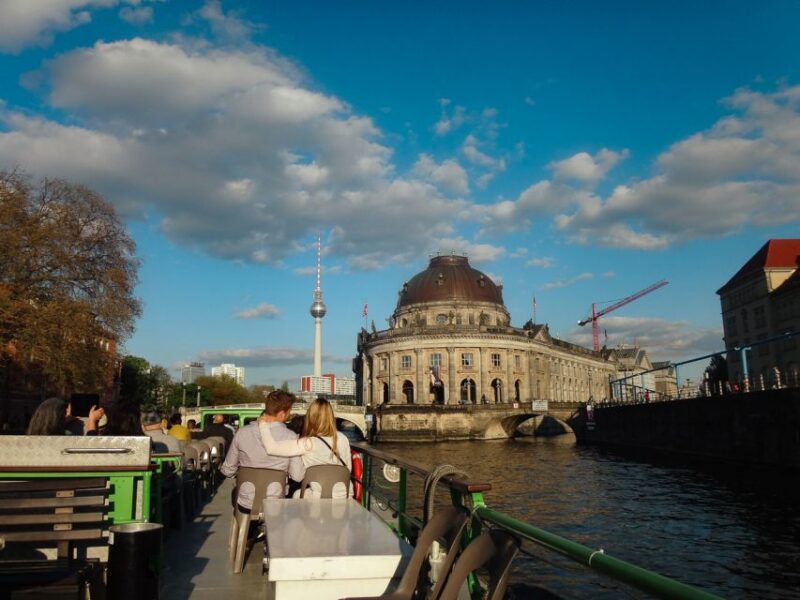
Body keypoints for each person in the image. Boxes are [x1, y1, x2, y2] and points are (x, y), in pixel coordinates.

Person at [220, 394, 305, 512]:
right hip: (275, 503)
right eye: (289, 412)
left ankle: (242, 528)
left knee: (238, 494)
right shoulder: (291, 437)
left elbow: (227, 470)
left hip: (246, 502)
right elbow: (298, 475)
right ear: (282, 413)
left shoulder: (242, 433)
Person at [259, 396, 352, 499]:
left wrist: (262, 424)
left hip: (319, 499)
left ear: (311, 417)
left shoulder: (307, 443)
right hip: (345, 497)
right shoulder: (343, 439)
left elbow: (271, 448)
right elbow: (348, 470)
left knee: (296, 495)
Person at [27, 397, 103, 435]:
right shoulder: (66, 436)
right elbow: (88, 451)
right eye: (63, 415)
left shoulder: (33, 436)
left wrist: (66, 420)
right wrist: (92, 421)